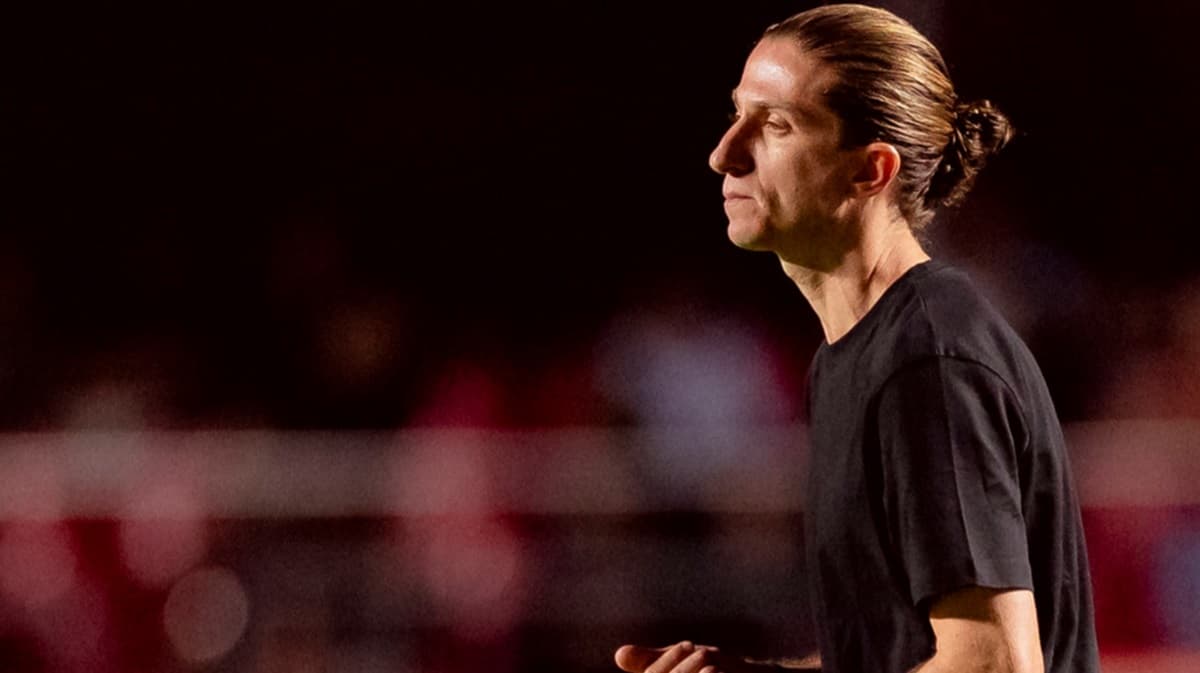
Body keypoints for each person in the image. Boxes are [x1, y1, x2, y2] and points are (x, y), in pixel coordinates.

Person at [614, 4, 1100, 673]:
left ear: (870, 171)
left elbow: (993, 661)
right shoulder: (864, 352)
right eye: (738, 113)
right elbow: (905, 652)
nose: (725, 152)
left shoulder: (926, 359)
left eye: (775, 124)